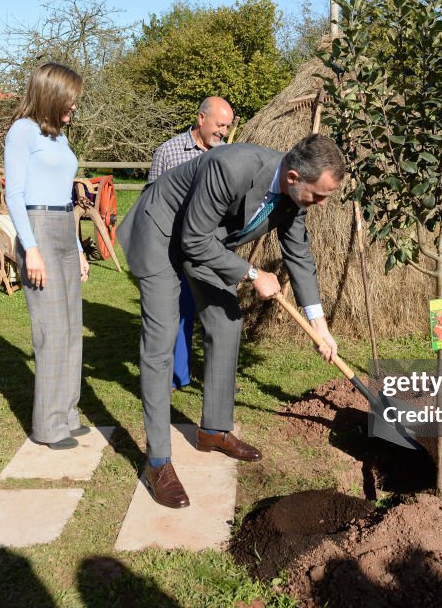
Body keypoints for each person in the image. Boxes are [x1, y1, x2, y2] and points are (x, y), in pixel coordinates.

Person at [118, 134, 344, 508]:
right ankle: (159, 461)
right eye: (318, 196)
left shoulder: (295, 196)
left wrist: (319, 326)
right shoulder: (230, 166)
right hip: (161, 234)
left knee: (226, 321)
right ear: (292, 177)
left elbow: (299, 256)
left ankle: (213, 430)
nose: (319, 204)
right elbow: (192, 239)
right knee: (160, 343)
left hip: (203, 243)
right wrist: (254, 274)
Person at [4, 62, 90, 451]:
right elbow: (15, 195)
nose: (74, 106)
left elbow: (64, 197)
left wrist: (77, 250)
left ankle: (68, 415)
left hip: (61, 227)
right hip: (36, 228)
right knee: (51, 331)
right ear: (52, 95)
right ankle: (48, 426)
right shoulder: (22, 131)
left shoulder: (59, 138)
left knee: (72, 328)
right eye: (70, 99)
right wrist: (31, 249)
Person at [148, 97, 235, 391]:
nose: (223, 131)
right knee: (179, 312)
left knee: (219, 315)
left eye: (227, 126)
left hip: (215, 248)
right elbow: (152, 201)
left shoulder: (227, 155)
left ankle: (218, 379)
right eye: (220, 124)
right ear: (201, 118)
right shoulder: (169, 152)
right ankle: (177, 376)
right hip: (175, 246)